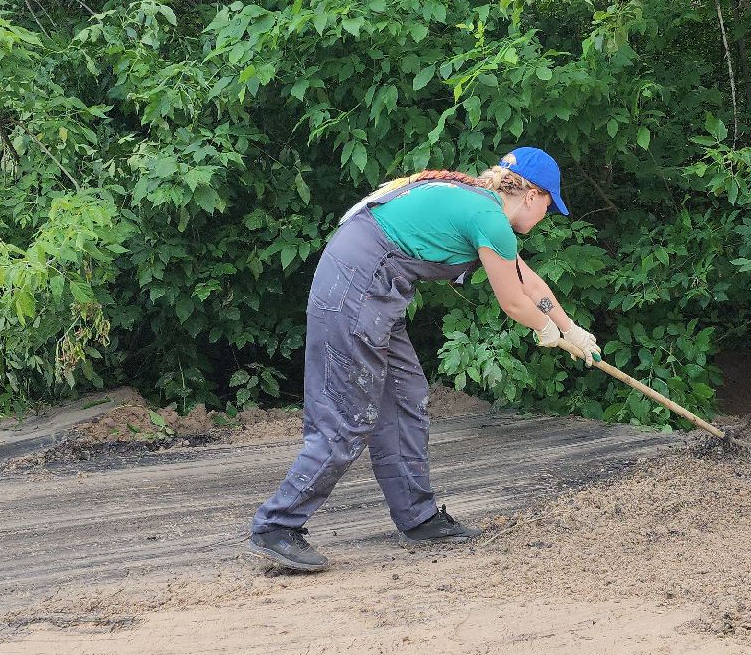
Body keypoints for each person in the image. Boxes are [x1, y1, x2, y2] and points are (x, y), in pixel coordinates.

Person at [242, 147, 601, 573]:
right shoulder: (488, 217)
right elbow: (512, 302)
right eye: (549, 205)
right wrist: (543, 330)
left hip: (371, 289)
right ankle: (276, 525)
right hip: (357, 291)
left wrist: (569, 326)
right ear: (531, 195)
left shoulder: (479, 203)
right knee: (349, 416)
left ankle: (418, 518)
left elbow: (527, 280)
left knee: (404, 396)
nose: (546, 215)